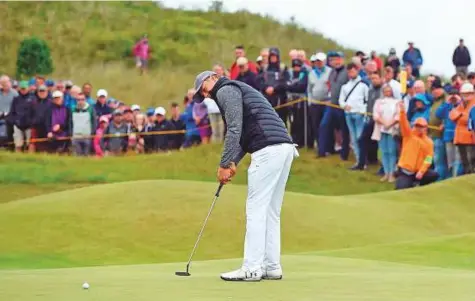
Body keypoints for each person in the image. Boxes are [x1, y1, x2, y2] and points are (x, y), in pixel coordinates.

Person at [192, 70, 297, 282]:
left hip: (268, 149)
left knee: (256, 209)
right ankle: (271, 266)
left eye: (204, 89)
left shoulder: (225, 89)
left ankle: (251, 268)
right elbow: (242, 134)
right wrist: (232, 162)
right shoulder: (237, 89)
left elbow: (234, 129)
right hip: (284, 148)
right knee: (270, 211)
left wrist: (224, 164)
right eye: (202, 94)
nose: (205, 95)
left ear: (212, 78)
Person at [395, 102, 438, 189]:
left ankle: (419, 186)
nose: (419, 128)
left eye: (422, 126)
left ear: (426, 127)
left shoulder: (429, 142)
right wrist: (402, 111)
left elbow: (428, 159)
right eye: (417, 126)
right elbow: (403, 123)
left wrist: (421, 171)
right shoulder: (408, 135)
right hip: (405, 171)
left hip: (418, 171)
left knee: (434, 175)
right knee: (400, 188)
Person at [318, 51, 349, 159]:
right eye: (333, 60)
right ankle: (322, 151)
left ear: (342, 59)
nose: (335, 61)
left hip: (342, 106)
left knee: (344, 130)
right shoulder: (332, 72)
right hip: (331, 104)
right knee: (324, 125)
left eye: (337, 59)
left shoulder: (347, 72)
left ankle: (344, 153)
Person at [339, 63, 369, 169]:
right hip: (348, 114)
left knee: (360, 137)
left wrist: (362, 111)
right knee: (353, 138)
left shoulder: (364, 86)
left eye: (352, 71)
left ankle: (363, 161)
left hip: (359, 115)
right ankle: (358, 161)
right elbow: (341, 100)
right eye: (349, 72)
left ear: (357, 71)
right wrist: (344, 105)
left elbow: (367, 101)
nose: (351, 73)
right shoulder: (345, 86)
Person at [371, 84, 400, 182]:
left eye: (389, 91)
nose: (387, 93)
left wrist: (390, 124)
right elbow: (376, 115)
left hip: (392, 130)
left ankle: (392, 173)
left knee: (392, 151)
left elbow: (398, 116)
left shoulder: (397, 102)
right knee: (384, 152)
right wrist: (384, 123)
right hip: (381, 129)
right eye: (385, 91)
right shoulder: (379, 102)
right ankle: (386, 173)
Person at [355, 72, 383, 170]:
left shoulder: (383, 90)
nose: (374, 80)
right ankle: (362, 163)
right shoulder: (371, 89)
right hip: (370, 119)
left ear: (381, 78)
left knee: (380, 144)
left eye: (376, 78)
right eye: (372, 78)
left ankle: (380, 165)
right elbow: (369, 104)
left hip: (380, 121)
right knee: (363, 140)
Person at [258, 47, 289, 125]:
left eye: (274, 56)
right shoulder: (264, 68)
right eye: (271, 56)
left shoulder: (283, 68)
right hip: (266, 100)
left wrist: (274, 88)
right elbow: (259, 81)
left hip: (280, 101)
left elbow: (286, 83)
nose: (273, 58)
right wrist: (266, 88)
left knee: (280, 124)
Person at [307, 52, 332, 152]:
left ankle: (327, 147)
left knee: (325, 125)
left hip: (326, 102)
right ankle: (320, 146)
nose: (319, 63)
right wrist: (310, 102)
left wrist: (330, 99)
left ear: (324, 61)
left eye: (320, 61)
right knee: (316, 125)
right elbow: (309, 89)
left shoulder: (330, 72)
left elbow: (331, 87)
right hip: (314, 103)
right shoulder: (312, 73)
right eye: (317, 61)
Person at [436, 89, 463, 177]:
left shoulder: (462, 105)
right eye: (451, 95)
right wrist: (447, 102)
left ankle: (455, 178)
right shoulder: (447, 106)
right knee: (450, 161)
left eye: (455, 95)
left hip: (459, 136)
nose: (453, 97)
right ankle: (451, 178)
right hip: (448, 137)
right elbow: (438, 114)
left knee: (458, 160)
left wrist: (459, 101)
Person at [449, 82, 475, 174]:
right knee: (465, 163)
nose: (465, 96)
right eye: (464, 94)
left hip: (471, 139)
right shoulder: (461, 104)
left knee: (471, 161)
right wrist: (461, 115)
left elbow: (470, 118)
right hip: (460, 138)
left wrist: (459, 115)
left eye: (467, 94)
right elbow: (452, 115)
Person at [428, 77, 449, 180]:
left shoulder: (446, 99)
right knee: (436, 159)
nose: (434, 92)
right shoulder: (435, 101)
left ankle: (439, 180)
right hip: (433, 134)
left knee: (439, 160)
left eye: (436, 89)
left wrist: (444, 123)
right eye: (433, 90)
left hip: (441, 135)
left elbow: (449, 112)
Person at [286, 59, 309, 148]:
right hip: (291, 101)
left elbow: (302, 86)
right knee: (292, 121)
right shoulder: (290, 74)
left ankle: (301, 141)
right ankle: (293, 140)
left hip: (301, 102)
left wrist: (292, 87)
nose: (296, 68)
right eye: (295, 66)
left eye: (298, 66)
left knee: (300, 121)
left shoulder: (303, 74)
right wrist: (293, 87)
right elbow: (287, 86)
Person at [8, 80, 34, 152]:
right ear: (19, 88)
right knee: (18, 144)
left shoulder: (33, 98)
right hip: (18, 125)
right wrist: (14, 121)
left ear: (28, 88)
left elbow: (35, 112)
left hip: (29, 126)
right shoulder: (16, 99)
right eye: (22, 88)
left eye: (24, 88)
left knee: (30, 144)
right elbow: (12, 112)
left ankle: (29, 159)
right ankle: (17, 158)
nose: (23, 90)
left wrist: (32, 122)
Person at [30, 84, 51, 152]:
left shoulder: (51, 103)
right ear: (37, 92)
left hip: (47, 128)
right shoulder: (33, 102)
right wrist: (32, 122)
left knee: (46, 147)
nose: (42, 93)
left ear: (47, 92)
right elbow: (30, 115)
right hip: (36, 127)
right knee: (32, 144)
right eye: (40, 91)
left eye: (43, 91)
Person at [0, 75, 18, 150]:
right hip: (0, 115)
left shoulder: (14, 93)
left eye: (7, 83)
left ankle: (9, 148)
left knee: (8, 133)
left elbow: (17, 106)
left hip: (10, 117)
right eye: (3, 84)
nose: (6, 85)